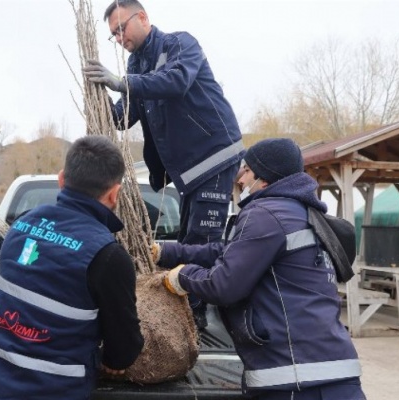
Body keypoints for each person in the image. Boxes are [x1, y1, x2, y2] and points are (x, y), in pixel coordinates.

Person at [155, 138, 367, 400]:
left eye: (246, 170)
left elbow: (224, 285)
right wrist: (166, 251)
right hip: (328, 372)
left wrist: (183, 276)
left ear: (264, 178)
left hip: (297, 380)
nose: (240, 179)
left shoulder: (266, 213)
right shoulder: (298, 212)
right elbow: (226, 252)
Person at [83, 0, 244, 329]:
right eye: (113, 34)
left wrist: (121, 83)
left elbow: (175, 82)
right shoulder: (134, 66)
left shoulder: (179, 44)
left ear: (142, 17)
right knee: (186, 240)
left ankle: (194, 321)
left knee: (199, 241)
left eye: (121, 28)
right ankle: (187, 309)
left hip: (212, 156)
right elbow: (125, 115)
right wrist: (97, 103)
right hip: (187, 173)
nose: (118, 38)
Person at [0, 135, 144, 400]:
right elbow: (124, 351)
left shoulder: (19, 228)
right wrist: (112, 360)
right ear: (114, 194)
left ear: (62, 179)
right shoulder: (108, 256)